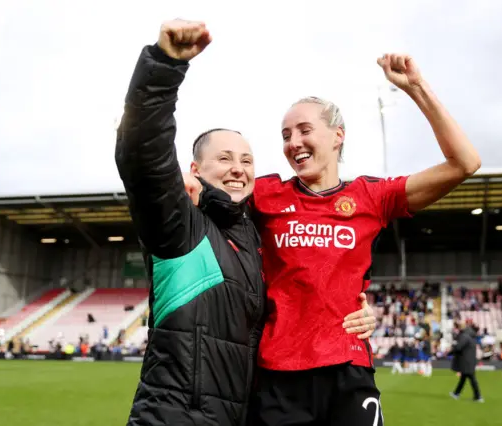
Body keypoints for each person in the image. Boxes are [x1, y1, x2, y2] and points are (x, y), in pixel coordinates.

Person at [184, 35, 480, 426]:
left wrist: (416, 88)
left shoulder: (372, 197)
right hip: (277, 375)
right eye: (286, 135)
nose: (294, 143)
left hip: (348, 369)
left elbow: (465, 163)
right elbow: (202, 191)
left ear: (338, 135)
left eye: (304, 130)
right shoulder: (266, 193)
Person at [115, 19, 377, 426]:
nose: (238, 169)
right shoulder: (180, 227)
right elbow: (143, 156)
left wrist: (359, 310)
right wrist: (164, 66)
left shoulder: (254, 241)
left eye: (247, 160)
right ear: (194, 169)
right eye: (224, 159)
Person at [449, 322, 483, 402]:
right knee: (464, 378)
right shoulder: (470, 336)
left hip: (466, 361)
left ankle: (478, 396)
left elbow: (459, 347)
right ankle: (456, 393)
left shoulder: (464, 336)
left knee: (471, 378)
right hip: (469, 360)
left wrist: (451, 350)